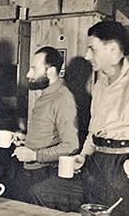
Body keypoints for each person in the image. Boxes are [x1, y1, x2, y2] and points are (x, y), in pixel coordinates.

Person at [32, 21, 129, 216]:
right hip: (94, 165)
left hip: (121, 169)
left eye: (93, 49)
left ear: (114, 51)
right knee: (41, 192)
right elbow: (94, 131)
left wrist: (126, 170)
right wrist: (83, 156)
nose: (88, 56)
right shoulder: (100, 85)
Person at [10, 46, 80, 207]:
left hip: (44, 175)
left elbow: (71, 146)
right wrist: (26, 139)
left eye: (34, 69)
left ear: (50, 71)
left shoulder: (63, 99)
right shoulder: (46, 94)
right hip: (30, 172)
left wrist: (35, 156)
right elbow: (48, 132)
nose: (28, 74)